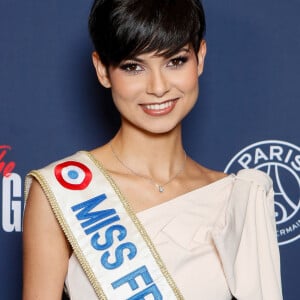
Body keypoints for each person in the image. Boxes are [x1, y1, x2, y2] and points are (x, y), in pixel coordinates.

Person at [22, 0, 283, 299]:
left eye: (175, 61)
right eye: (133, 67)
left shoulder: (234, 197)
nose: (158, 87)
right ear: (103, 70)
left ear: (200, 58)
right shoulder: (64, 190)